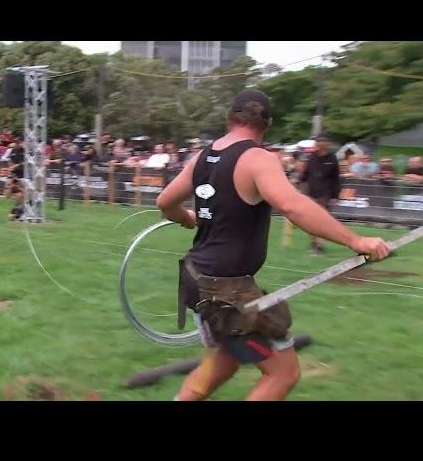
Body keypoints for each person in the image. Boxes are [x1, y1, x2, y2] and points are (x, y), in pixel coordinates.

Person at [156, 90, 389, 401]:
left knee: (222, 363)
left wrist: (186, 218)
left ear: (230, 117)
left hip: (196, 277)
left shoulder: (203, 156)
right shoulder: (258, 159)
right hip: (227, 289)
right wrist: (356, 240)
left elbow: (164, 201)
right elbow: (293, 206)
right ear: (268, 124)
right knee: (283, 373)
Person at [300, 134, 341, 255]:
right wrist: (298, 183)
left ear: (325, 143)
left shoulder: (332, 158)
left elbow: (336, 178)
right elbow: (305, 174)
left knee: (321, 220)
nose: (316, 143)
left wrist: (335, 196)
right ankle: (315, 243)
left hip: (325, 194)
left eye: (319, 141)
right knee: (310, 221)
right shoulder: (311, 157)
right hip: (311, 193)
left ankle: (319, 245)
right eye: (316, 141)